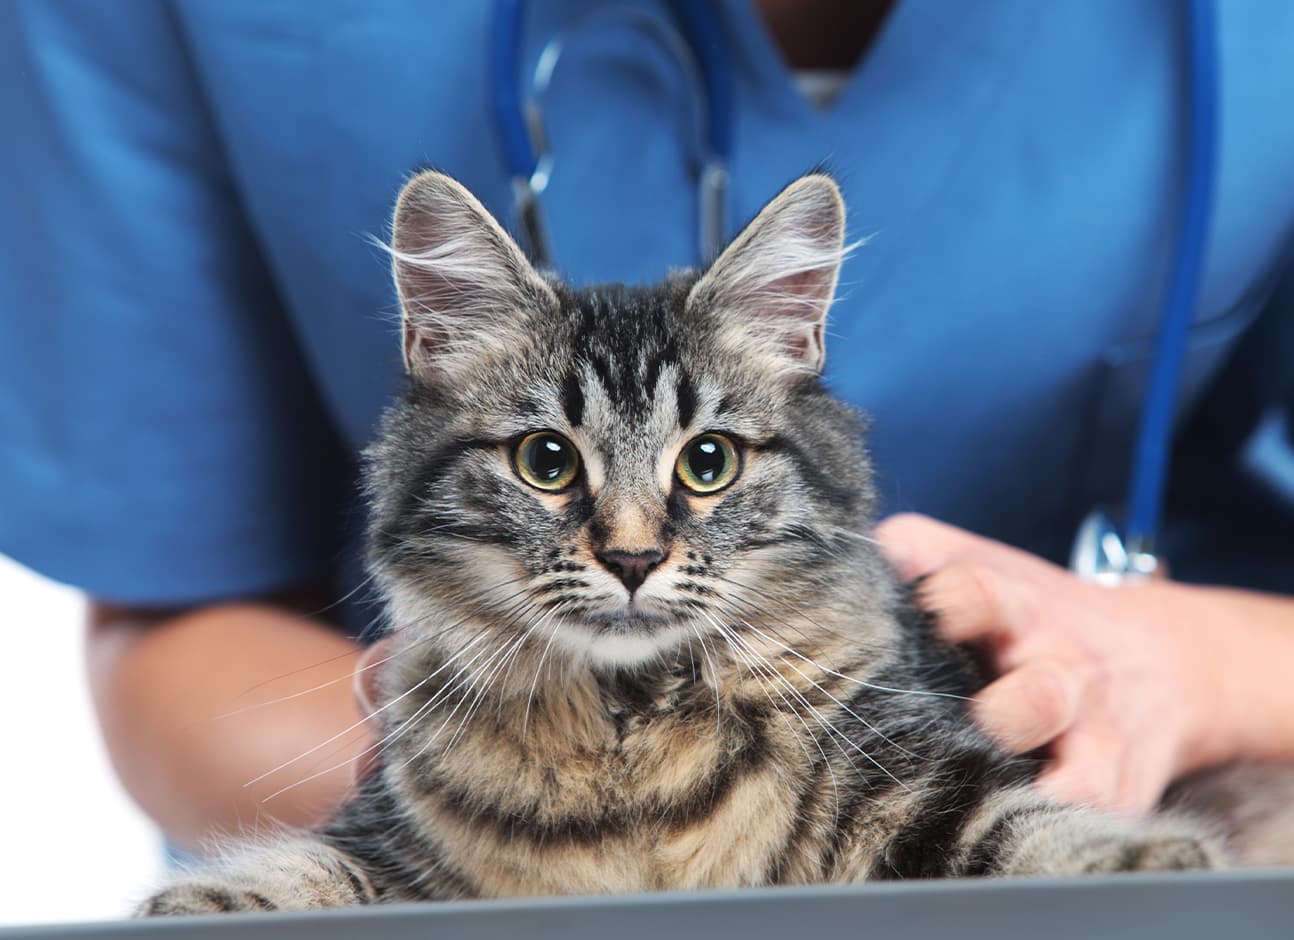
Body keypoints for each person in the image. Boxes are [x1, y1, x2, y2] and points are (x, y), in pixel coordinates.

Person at [2, 0, 1293, 852]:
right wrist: (496, 818)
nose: (628, 539)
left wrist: (1206, 665)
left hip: (1149, 802)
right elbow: (166, 603)